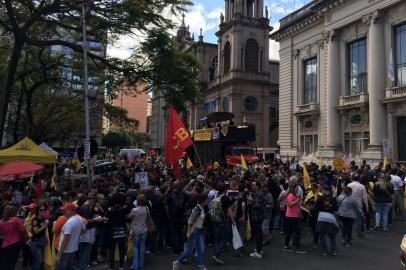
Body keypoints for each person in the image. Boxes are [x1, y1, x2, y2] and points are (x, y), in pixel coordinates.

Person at [173, 194, 208, 270]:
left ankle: (201, 265)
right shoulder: (197, 209)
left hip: (199, 231)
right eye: (206, 200)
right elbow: (190, 221)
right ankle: (177, 262)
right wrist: (188, 232)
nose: (207, 201)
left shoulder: (202, 208)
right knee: (189, 251)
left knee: (201, 249)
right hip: (194, 231)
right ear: (203, 200)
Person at [56, 203, 86, 270]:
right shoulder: (79, 219)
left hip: (65, 251)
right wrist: (76, 235)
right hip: (73, 249)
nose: (63, 212)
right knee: (69, 266)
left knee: (60, 267)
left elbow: (65, 240)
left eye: (65, 210)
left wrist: (59, 254)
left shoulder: (69, 223)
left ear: (71, 211)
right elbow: (84, 230)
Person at [106, 194, 128, 270]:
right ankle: (121, 265)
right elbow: (127, 217)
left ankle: (111, 266)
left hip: (112, 231)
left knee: (112, 249)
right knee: (122, 248)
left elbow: (107, 219)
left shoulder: (110, 209)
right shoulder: (124, 208)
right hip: (122, 230)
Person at [315, 186, 339, 256]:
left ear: (324, 191)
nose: (321, 191)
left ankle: (324, 251)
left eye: (322, 190)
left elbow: (316, 208)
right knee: (332, 235)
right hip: (331, 218)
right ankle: (334, 250)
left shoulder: (319, 198)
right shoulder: (333, 199)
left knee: (322, 235)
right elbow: (336, 209)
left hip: (322, 217)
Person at [283, 182, 306, 254]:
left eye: (297, 188)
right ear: (292, 188)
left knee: (291, 232)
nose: (297, 189)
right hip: (292, 216)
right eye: (296, 188)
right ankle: (296, 248)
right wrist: (297, 200)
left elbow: (298, 206)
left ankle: (287, 246)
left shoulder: (294, 195)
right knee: (296, 232)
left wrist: (307, 210)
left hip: (294, 216)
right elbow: (289, 204)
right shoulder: (290, 195)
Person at [0, 204, 25, 270]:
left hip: (4, 244)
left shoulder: (2, 221)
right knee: (12, 263)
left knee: (4, 263)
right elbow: (22, 230)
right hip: (15, 244)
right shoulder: (16, 220)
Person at [129, 194, 149, 270]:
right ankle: (141, 263)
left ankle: (135, 265)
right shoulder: (146, 208)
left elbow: (130, 217)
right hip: (144, 229)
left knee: (135, 247)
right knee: (142, 246)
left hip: (136, 230)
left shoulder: (134, 210)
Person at [248, 180, 265, 258]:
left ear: (257, 186)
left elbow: (257, 205)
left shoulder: (257, 194)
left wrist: (252, 201)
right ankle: (259, 249)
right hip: (259, 216)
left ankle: (258, 252)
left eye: (254, 185)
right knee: (259, 233)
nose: (252, 186)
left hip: (257, 216)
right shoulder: (259, 193)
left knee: (258, 234)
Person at [30, 203, 49, 270]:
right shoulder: (35, 220)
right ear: (37, 210)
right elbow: (36, 231)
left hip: (40, 242)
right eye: (41, 210)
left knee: (40, 260)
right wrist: (45, 225)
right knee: (39, 260)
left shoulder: (42, 217)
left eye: (44, 209)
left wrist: (45, 222)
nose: (43, 211)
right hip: (35, 242)